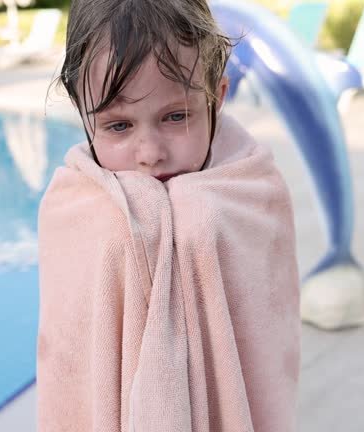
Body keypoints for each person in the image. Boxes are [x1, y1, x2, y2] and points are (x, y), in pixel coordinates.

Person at [36, 0, 300, 430]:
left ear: (217, 97)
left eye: (176, 116)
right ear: (82, 110)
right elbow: (67, 349)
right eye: (119, 125)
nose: (150, 154)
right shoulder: (74, 207)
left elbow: (272, 326)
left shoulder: (252, 187)